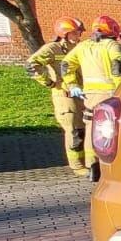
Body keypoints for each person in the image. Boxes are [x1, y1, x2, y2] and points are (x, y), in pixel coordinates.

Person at [62, 15, 121, 175]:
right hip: (109, 94)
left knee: (90, 127)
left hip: (89, 95)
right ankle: (106, 164)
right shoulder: (111, 45)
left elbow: (66, 64)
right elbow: (117, 66)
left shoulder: (82, 46)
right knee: (109, 128)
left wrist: (72, 84)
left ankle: (91, 165)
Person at [27, 17, 87, 173]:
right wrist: (48, 82)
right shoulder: (52, 49)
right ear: (64, 33)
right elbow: (31, 65)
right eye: (75, 32)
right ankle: (77, 165)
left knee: (86, 129)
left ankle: (86, 161)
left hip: (81, 95)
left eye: (79, 32)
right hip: (65, 96)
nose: (78, 35)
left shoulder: (80, 47)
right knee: (74, 130)